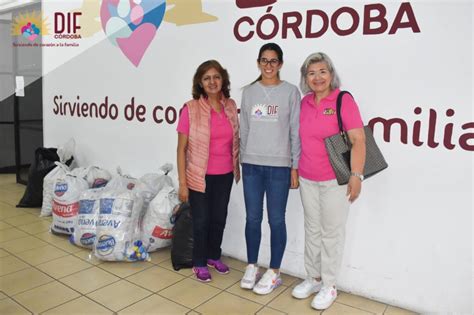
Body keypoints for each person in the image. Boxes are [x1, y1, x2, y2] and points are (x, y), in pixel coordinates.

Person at [291, 52, 366, 310]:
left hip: (336, 179)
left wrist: (356, 175)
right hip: (307, 177)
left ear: (331, 74)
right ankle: (313, 277)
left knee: (331, 233)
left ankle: (329, 285)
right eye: (311, 73)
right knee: (312, 229)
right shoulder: (304, 103)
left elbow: (358, 140)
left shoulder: (343, 100)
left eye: (322, 71)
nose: (317, 77)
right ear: (305, 78)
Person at [239, 42, 301, 295]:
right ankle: (252, 265)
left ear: (281, 64)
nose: (268, 65)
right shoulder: (249, 92)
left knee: (276, 219)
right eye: (264, 60)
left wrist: (294, 166)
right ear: (258, 63)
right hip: (252, 165)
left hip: (279, 168)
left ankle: (274, 271)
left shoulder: (290, 92)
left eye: (273, 61)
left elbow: (295, 131)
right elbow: (243, 128)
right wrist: (242, 159)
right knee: (252, 218)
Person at [176, 60, 240, 282]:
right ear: (200, 83)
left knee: (219, 218)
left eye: (216, 77)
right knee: (201, 220)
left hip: (225, 174)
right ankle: (199, 262)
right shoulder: (190, 109)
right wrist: (183, 183)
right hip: (198, 176)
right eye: (207, 78)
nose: (212, 82)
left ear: (223, 80)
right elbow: (181, 148)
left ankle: (214, 256)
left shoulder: (230, 106)